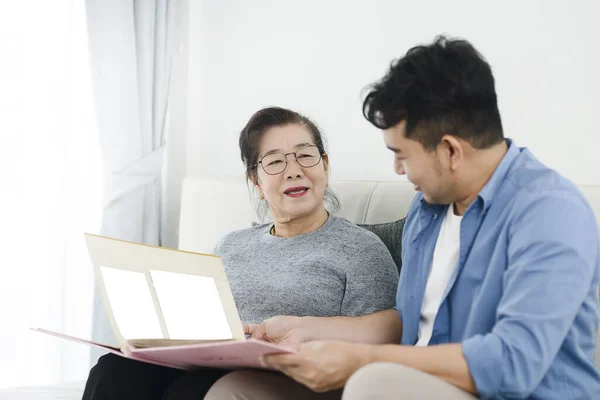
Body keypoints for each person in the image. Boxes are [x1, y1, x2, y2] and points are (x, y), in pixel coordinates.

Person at [204, 36, 600, 400]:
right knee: (236, 391)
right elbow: (405, 327)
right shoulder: (426, 213)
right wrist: (305, 331)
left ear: (450, 151)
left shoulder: (550, 213)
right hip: (415, 387)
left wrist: (363, 362)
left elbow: (512, 362)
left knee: (372, 383)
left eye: (402, 154)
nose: (396, 168)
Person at [81, 107, 399, 400]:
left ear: (325, 166)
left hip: (285, 382)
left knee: (190, 391)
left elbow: (377, 347)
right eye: (275, 161)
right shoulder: (230, 246)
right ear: (255, 181)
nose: (293, 170)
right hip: (204, 365)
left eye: (305, 156)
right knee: (112, 370)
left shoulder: (362, 249)